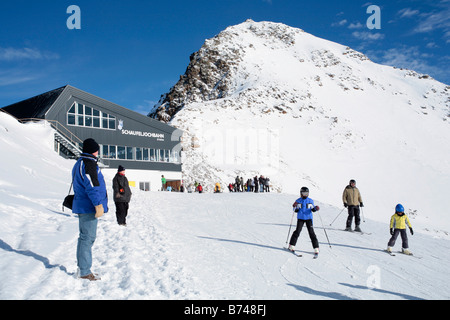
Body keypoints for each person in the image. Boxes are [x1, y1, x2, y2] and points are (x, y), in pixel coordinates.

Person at [72, 138, 108, 281]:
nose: (98, 152)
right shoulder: (88, 164)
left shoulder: (80, 163)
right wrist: (98, 205)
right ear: (93, 150)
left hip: (85, 205)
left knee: (85, 237)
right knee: (87, 238)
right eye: (97, 149)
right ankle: (85, 272)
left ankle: (83, 268)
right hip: (89, 206)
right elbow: (92, 186)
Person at [288, 187, 320, 256]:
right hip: (301, 218)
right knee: (297, 231)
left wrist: (316, 208)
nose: (305, 195)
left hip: (308, 218)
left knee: (311, 233)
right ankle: (291, 245)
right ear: (301, 193)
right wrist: (294, 206)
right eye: (303, 193)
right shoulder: (298, 200)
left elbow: (312, 209)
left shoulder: (310, 200)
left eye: (306, 193)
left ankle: (316, 247)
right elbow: (295, 210)